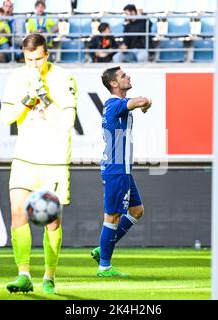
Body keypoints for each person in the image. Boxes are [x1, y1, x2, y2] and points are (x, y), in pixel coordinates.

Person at [0, 33, 77, 294]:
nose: (34, 64)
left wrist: (43, 96)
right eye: (28, 59)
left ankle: (49, 276)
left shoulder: (63, 76)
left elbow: (67, 120)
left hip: (54, 160)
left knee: (51, 221)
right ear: (24, 55)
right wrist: (26, 99)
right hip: (24, 157)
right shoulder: (16, 78)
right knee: (17, 213)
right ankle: (23, 274)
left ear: (47, 54)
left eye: (38, 59)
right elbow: (6, 118)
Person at [90, 66, 152, 277]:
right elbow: (142, 101)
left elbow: (142, 102)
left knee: (137, 211)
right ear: (114, 84)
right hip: (116, 169)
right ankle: (104, 266)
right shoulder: (115, 103)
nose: (128, 77)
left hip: (122, 169)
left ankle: (103, 249)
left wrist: (144, 103)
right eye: (123, 76)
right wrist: (145, 104)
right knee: (113, 216)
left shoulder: (118, 106)